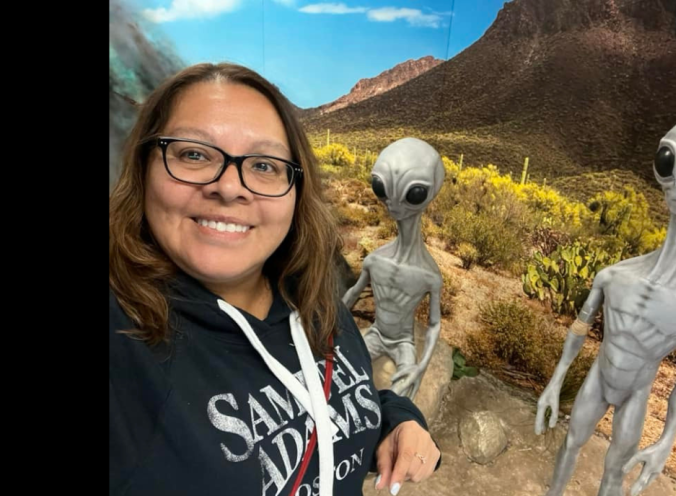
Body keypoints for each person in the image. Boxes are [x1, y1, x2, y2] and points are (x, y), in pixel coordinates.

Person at [109, 62, 440, 496]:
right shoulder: (124, 343)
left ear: (295, 189)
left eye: (264, 165)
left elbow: (323, 407)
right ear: (142, 168)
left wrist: (396, 418)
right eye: (193, 154)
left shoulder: (313, 299)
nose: (229, 187)